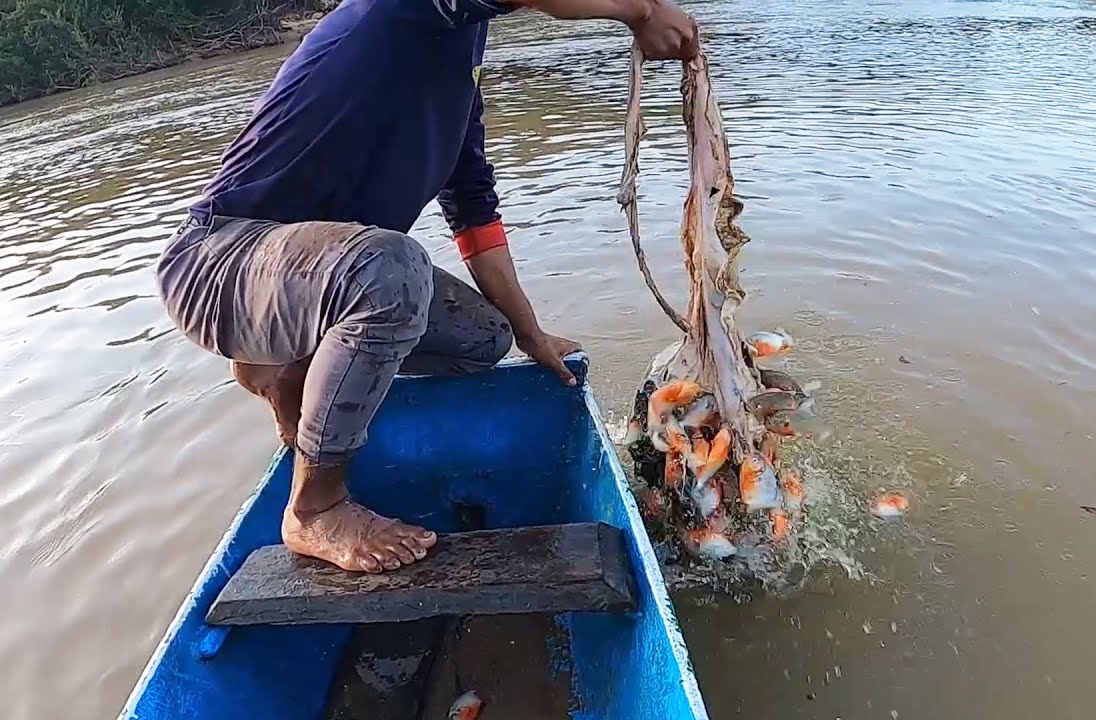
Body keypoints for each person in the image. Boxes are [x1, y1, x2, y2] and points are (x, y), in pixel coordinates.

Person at [156, 0, 699, 574]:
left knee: (486, 339)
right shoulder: (395, 9)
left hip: (313, 282)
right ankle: (314, 508)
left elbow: (476, 221)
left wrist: (530, 334)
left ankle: (287, 363)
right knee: (392, 271)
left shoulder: (458, 72)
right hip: (219, 265)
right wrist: (641, 10)